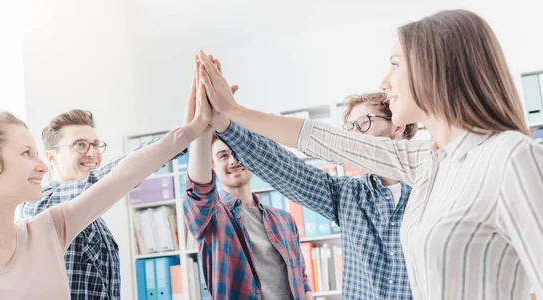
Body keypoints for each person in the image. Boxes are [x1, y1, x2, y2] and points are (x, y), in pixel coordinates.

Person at [195, 9, 543, 300]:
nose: (384, 81)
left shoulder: (510, 158)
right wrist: (231, 116)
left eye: (395, 64)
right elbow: (320, 142)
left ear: (434, 68)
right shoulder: (430, 165)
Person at [0, 66, 208, 299]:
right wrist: (188, 131)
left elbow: (124, 176)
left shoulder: (49, 229)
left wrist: (191, 130)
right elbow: (111, 176)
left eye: (95, 144)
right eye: (26, 153)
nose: (41, 166)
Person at [210, 92, 418, 299]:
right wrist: (227, 126)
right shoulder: (347, 194)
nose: (355, 134)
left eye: (363, 123)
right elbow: (282, 167)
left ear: (398, 127)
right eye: (351, 127)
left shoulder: (431, 189)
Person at [18, 109, 184, 300]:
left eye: (95, 145)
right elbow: (117, 175)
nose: (92, 153)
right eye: (80, 145)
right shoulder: (39, 204)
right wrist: (186, 134)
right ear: (52, 157)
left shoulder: (96, 219)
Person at [184, 58, 313, 300]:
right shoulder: (212, 219)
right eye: (222, 155)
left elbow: (302, 282)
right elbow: (199, 189)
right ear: (212, 167)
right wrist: (203, 120)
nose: (233, 160)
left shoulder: (284, 220)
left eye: (236, 152)